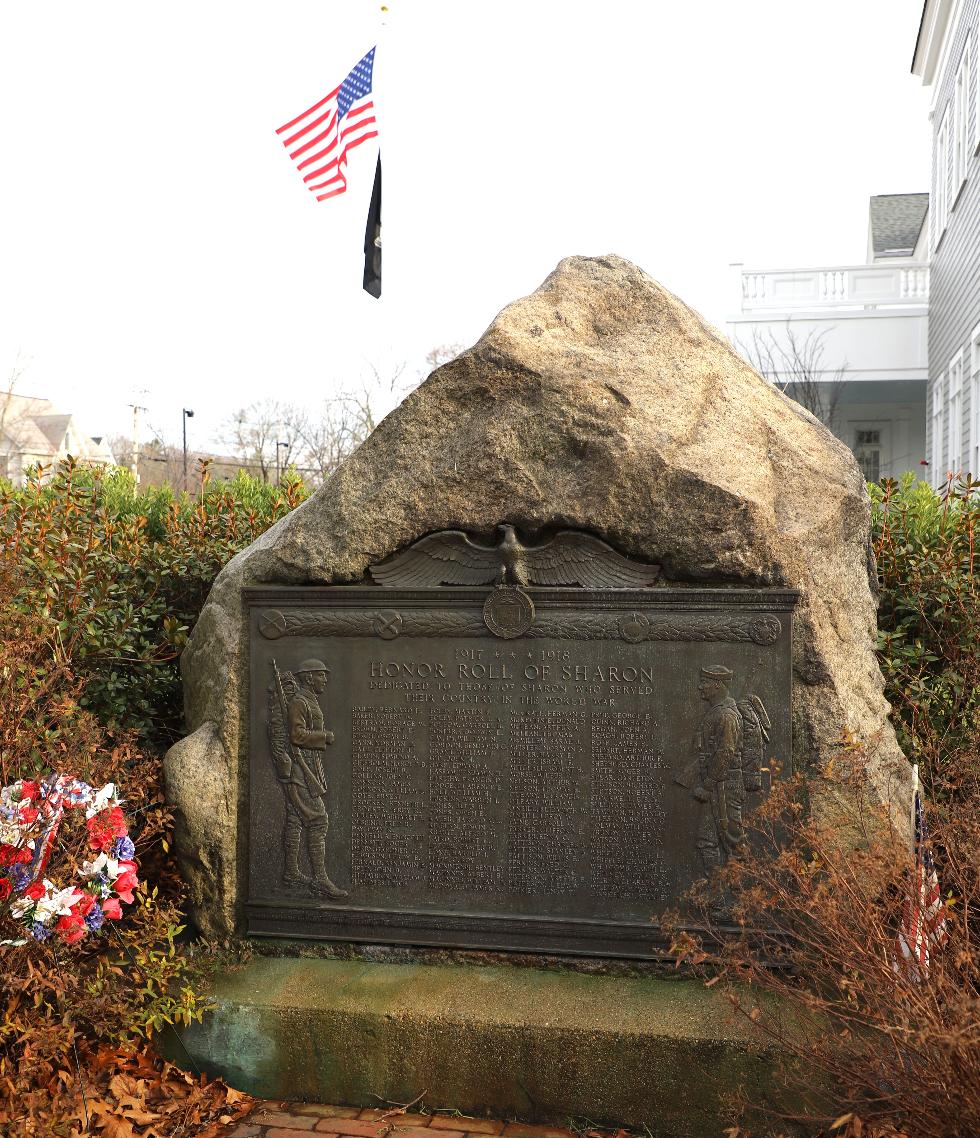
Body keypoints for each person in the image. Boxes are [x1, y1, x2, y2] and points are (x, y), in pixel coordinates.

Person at [270, 658, 348, 899]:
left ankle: (291, 872)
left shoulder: (308, 700)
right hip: (299, 771)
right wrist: (324, 736)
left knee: (295, 820)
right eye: (321, 675)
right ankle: (321, 879)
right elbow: (296, 735)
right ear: (308, 677)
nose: (325, 679)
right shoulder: (300, 702)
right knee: (318, 820)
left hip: (307, 768)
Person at [676, 665, 746, 874]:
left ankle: (741, 899)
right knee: (706, 840)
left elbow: (725, 753)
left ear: (717, 685)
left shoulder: (726, 716)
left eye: (705, 682)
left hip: (724, 786)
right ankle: (716, 897)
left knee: (733, 841)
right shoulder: (715, 713)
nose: (700, 687)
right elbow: (708, 751)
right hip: (715, 784)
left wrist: (707, 785)